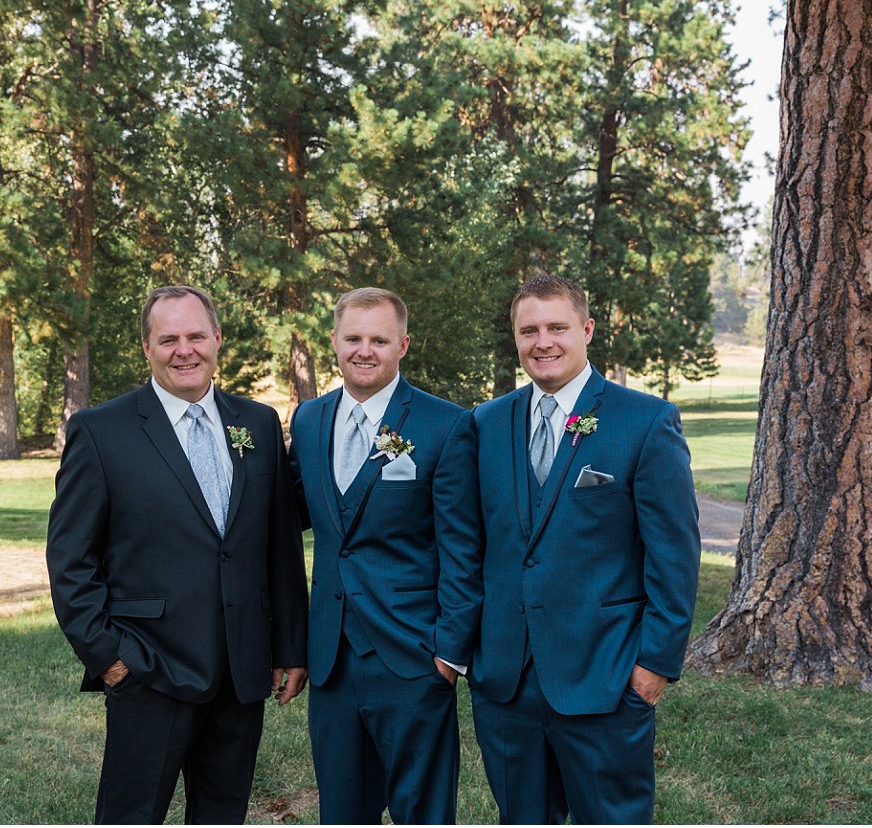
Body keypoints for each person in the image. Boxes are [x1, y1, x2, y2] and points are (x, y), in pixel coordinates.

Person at [436, 274, 702, 825]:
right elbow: (468, 546)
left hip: (604, 674)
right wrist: (462, 651)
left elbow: (674, 556)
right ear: (515, 339)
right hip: (504, 682)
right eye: (528, 330)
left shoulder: (645, 421)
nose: (543, 342)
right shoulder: (484, 424)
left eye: (557, 327)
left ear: (586, 330)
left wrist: (654, 666)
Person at [47, 285, 309, 824]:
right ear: (147, 348)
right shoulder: (102, 431)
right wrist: (111, 659)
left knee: (222, 815)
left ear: (217, 339)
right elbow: (70, 560)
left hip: (241, 671)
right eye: (168, 339)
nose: (184, 350)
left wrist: (288, 646)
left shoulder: (256, 423)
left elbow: (278, 545)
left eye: (195, 336)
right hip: (149, 667)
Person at [288, 288, 466, 823]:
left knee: (422, 811)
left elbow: (463, 547)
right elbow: (292, 518)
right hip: (333, 660)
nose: (365, 351)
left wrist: (448, 652)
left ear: (403, 345)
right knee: (341, 812)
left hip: (414, 657)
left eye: (379, 340)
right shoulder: (309, 420)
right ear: (336, 343)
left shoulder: (444, 425)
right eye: (354, 338)